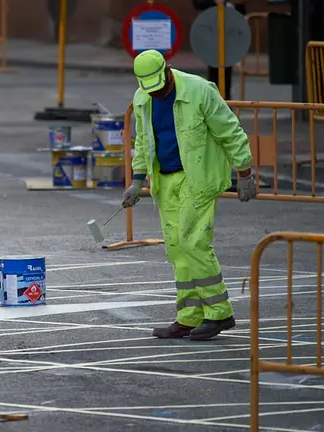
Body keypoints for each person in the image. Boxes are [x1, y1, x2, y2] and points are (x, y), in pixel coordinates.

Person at [122, 49, 257, 341]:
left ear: (168, 72)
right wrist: (136, 181)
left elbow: (229, 131)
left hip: (198, 179)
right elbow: (144, 142)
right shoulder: (143, 98)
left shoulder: (199, 91)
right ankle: (189, 316)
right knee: (176, 248)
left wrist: (244, 171)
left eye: (159, 88)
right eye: (150, 90)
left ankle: (220, 313)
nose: (156, 94)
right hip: (165, 182)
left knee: (193, 243)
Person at [193, 0, 249, 100]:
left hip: (230, 29)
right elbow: (198, 3)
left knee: (227, 65)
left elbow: (242, 7)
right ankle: (213, 98)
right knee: (214, 66)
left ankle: (226, 98)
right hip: (212, 29)